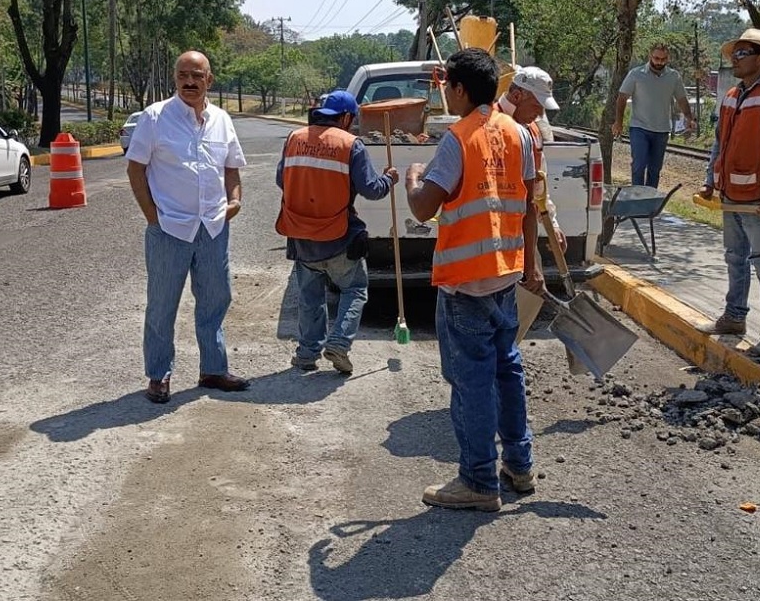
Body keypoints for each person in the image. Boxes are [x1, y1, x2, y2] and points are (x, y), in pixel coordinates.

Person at [405, 47, 543, 512]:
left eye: (448, 86)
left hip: (466, 283)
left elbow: (423, 208)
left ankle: (479, 481)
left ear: (461, 89)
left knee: (472, 382)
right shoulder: (519, 134)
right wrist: (532, 265)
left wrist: (413, 179)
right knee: (507, 370)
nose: (446, 94)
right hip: (505, 275)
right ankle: (520, 466)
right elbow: (528, 206)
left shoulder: (458, 138)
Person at [126, 50, 250, 403]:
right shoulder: (155, 117)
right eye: (183, 75)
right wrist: (153, 216)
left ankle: (213, 369)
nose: (190, 82)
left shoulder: (221, 119)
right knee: (162, 305)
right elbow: (135, 169)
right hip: (169, 228)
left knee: (215, 299)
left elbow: (231, 167)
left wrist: (235, 199)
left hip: (213, 227)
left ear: (209, 80)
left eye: (197, 75)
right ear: (175, 78)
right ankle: (159, 374)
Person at [276, 90, 399, 375]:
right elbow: (372, 190)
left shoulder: (294, 138)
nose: (352, 124)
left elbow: (281, 179)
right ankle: (339, 343)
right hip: (337, 237)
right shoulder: (350, 145)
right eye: (352, 119)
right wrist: (389, 179)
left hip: (302, 238)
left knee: (310, 297)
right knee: (355, 289)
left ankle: (307, 354)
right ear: (344, 118)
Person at [697, 28, 760, 358]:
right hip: (732, 194)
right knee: (734, 257)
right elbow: (719, 142)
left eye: (742, 54)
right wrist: (710, 181)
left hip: (759, 197)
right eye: (734, 54)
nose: (735, 59)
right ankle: (734, 318)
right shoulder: (731, 96)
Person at [495, 66, 566, 252]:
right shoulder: (488, 126)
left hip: (525, 236)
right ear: (517, 96)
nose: (540, 114)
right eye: (536, 106)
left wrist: (552, 225)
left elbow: (539, 186)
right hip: (493, 238)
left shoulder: (533, 131)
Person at [612, 43, 695, 187]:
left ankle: (650, 197)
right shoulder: (636, 74)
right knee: (639, 165)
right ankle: (637, 195)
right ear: (650, 56)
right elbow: (622, 98)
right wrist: (618, 122)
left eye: (663, 59)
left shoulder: (673, 76)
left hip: (661, 130)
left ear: (668, 58)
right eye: (656, 58)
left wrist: (689, 117)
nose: (659, 62)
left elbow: (682, 99)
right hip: (639, 127)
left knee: (655, 170)